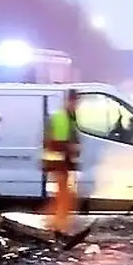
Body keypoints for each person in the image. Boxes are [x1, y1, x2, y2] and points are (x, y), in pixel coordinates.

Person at [41, 89, 81, 234]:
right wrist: (71, 147)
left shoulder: (65, 116)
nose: (76, 105)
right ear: (70, 101)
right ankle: (59, 224)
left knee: (62, 193)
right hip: (58, 160)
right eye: (75, 102)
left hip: (60, 160)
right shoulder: (62, 118)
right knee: (63, 194)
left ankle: (56, 222)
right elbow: (54, 141)